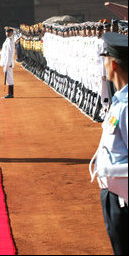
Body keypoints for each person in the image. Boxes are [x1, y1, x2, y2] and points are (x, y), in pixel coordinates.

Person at [89, 32, 128, 255]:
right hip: (114, 195)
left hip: (124, 201)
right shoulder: (119, 100)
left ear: (113, 64)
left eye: (104, 60)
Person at [0, 27, 15, 98]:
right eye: (6, 32)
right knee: (8, 78)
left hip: (8, 63)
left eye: (8, 32)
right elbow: (3, 53)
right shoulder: (7, 40)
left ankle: (10, 94)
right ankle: (10, 93)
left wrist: (8, 64)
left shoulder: (11, 41)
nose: (7, 33)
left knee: (9, 78)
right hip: (6, 62)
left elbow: (10, 54)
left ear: (11, 33)